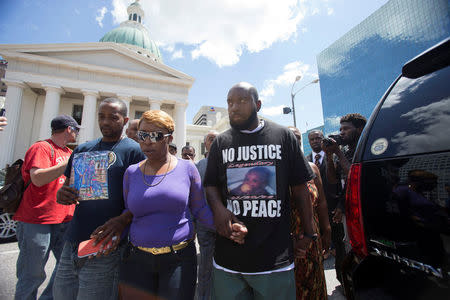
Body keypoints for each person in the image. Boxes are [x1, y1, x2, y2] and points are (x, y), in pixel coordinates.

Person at [89, 110, 219, 300]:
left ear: (169, 138)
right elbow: (129, 212)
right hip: (136, 261)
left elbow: (199, 209)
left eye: (155, 136)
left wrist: (226, 228)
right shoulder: (131, 173)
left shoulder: (188, 168)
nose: (147, 141)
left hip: (179, 260)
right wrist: (113, 234)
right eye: (142, 135)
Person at [204, 82, 316, 300]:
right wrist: (218, 210)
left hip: (274, 260)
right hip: (229, 260)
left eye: (241, 101)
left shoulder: (283, 137)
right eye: (229, 102)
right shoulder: (220, 143)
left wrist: (309, 232)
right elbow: (210, 185)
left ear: (258, 104)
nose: (233, 107)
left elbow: (301, 188)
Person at [53, 98, 145, 300]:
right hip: (72, 241)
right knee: (61, 294)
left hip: (106, 245)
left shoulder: (134, 152)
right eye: (101, 117)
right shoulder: (83, 149)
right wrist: (62, 193)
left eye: (113, 117)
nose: (105, 122)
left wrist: (123, 220)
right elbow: (67, 185)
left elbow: (142, 197)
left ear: (125, 120)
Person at [13, 115, 80, 300]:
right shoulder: (41, 147)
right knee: (32, 274)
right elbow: (38, 178)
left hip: (64, 220)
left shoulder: (68, 152)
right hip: (36, 219)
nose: (77, 134)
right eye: (77, 129)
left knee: (67, 270)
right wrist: (67, 165)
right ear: (69, 129)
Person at [322, 113, 367, 283]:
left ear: (360, 129)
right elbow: (333, 180)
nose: (341, 133)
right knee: (349, 250)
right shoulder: (344, 151)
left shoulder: (363, 149)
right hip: (349, 210)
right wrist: (328, 155)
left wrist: (338, 153)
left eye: (346, 129)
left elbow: (354, 177)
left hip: (364, 209)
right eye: (340, 129)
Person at [289, 126, 331, 300]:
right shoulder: (278, 169)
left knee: (315, 281)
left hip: (312, 236)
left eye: (297, 137)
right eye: (290, 137)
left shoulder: (312, 168)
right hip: (290, 239)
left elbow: (321, 202)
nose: (294, 140)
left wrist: (326, 230)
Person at [307, 130, 346, 265]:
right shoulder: (305, 162)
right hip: (315, 211)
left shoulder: (334, 157)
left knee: (339, 244)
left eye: (318, 138)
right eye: (312, 139)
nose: (315, 141)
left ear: (322, 139)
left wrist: (340, 205)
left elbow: (340, 184)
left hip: (334, 208)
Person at [195, 130, 218, 300]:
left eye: (218, 138)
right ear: (206, 144)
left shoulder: (229, 163)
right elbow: (193, 197)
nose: (215, 141)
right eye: (211, 138)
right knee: (205, 266)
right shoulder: (198, 167)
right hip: (204, 226)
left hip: (225, 226)